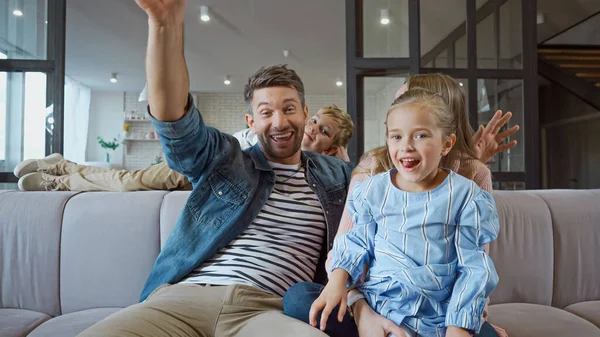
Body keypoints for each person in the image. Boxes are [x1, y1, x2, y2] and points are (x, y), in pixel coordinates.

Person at [77, 1, 353, 336]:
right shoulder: (228, 158)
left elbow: (392, 186)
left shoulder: (334, 175)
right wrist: (165, 23)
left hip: (267, 310)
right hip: (183, 300)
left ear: (304, 112)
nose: (279, 121)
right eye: (266, 112)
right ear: (251, 122)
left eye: (289, 108)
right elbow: (175, 123)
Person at [283, 73, 512, 337]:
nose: (406, 146)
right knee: (299, 298)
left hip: (440, 309)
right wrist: (356, 304)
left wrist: (462, 322)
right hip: (377, 300)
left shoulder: (468, 188)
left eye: (421, 134)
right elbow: (353, 243)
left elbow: (474, 266)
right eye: (396, 135)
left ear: (446, 138)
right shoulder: (374, 181)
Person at [13, 105, 354, 191]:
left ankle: (64, 169)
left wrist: (344, 164)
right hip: (206, 163)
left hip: (211, 178)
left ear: (329, 149)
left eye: (323, 131)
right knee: (130, 181)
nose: (311, 128)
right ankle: (60, 175)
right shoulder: (273, 135)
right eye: (314, 119)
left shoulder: (312, 169)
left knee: (130, 180)